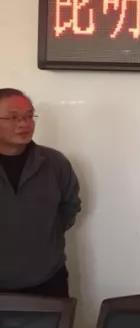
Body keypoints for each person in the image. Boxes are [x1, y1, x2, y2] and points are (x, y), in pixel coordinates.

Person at [0, 88, 81, 298]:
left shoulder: (55, 163)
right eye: (13, 117)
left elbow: (70, 206)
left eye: (29, 116)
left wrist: (41, 236)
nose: (24, 124)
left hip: (47, 280)